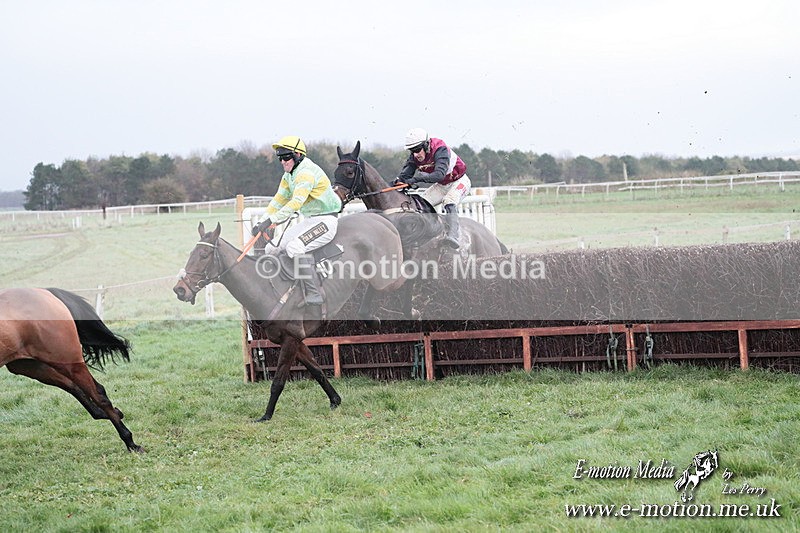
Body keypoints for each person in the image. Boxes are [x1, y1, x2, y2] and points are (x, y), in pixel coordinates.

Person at [252, 135, 342, 306]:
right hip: (310, 220)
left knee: (295, 247)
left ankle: (314, 292)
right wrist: (262, 221)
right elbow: (278, 201)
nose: (283, 162)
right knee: (272, 248)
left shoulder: (306, 173)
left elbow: (295, 203)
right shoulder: (288, 175)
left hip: (326, 221)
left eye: (286, 157)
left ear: (298, 155)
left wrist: (272, 220)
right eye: (280, 158)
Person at [393, 128, 471, 249]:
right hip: (442, 185)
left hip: (459, 182)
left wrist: (416, 179)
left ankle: (453, 235)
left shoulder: (440, 149)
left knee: (449, 201)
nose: (415, 154)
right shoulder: (415, 156)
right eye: (412, 151)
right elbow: (405, 175)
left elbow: (438, 174)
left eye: (417, 150)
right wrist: (397, 182)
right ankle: (425, 235)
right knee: (421, 204)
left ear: (426, 145)